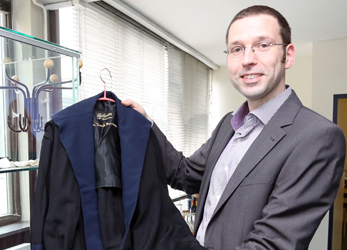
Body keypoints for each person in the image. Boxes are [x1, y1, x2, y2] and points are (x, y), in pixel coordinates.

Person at [122, 5, 346, 249]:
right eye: (237, 49)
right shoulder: (228, 125)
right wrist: (146, 126)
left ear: (288, 55)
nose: (248, 59)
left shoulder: (317, 137)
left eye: (263, 45)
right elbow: (184, 174)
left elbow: (270, 245)